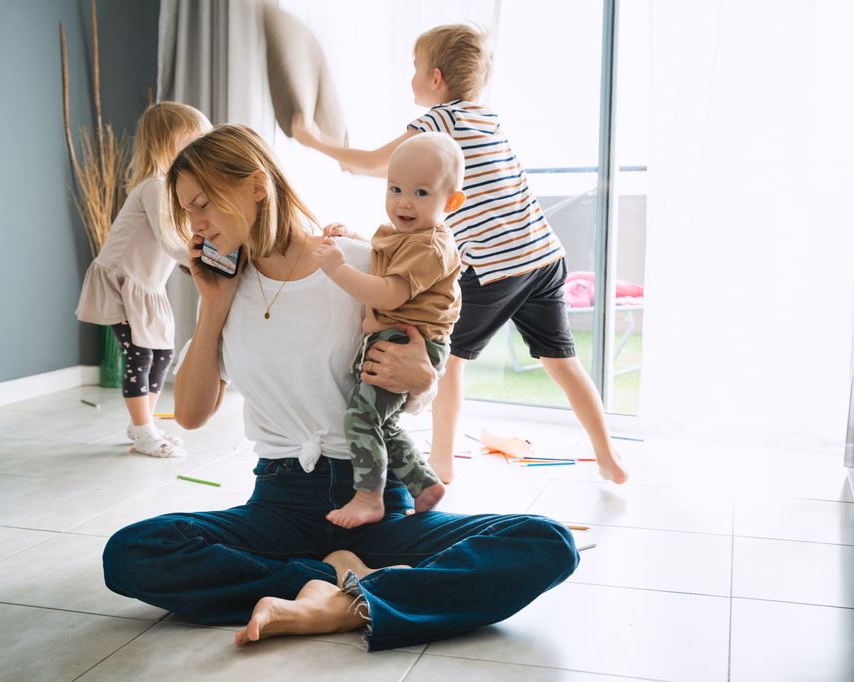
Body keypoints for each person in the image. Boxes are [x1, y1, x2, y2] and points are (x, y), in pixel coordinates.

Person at [101, 124, 578, 652]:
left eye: (204, 204)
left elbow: (409, 385)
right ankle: (343, 586)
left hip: (376, 498)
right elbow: (189, 416)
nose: (197, 224)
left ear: (257, 186)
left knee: (545, 543)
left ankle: (340, 601)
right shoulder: (225, 288)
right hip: (279, 504)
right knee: (133, 551)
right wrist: (212, 304)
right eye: (188, 212)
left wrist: (425, 377)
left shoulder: (357, 265)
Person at [292, 24, 629, 486]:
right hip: (543, 255)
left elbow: (377, 163)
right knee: (562, 362)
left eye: (414, 69)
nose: (410, 77)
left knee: (446, 360)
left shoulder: (439, 122)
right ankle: (608, 457)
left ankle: (444, 462)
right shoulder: (486, 117)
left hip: (494, 267)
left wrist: (312, 140)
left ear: (435, 78)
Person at [311, 132, 464, 529]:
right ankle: (424, 485)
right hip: (394, 337)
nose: (404, 202)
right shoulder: (406, 235)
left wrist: (337, 268)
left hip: (408, 342)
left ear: (451, 202)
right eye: (394, 188)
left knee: (360, 419)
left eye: (420, 192)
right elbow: (387, 261)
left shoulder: (432, 246)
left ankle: (369, 497)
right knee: (384, 420)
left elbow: (390, 292)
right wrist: (356, 240)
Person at [75, 102, 211, 458]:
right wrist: (203, 259)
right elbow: (169, 241)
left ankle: (142, 424)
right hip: (123, 284)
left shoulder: (171, 187)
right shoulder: (155, 186)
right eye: (193, 140)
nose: (200, 147)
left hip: (147, 286)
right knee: (139, 356)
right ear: (170, 142)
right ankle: (143, 429)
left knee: (162, 355)